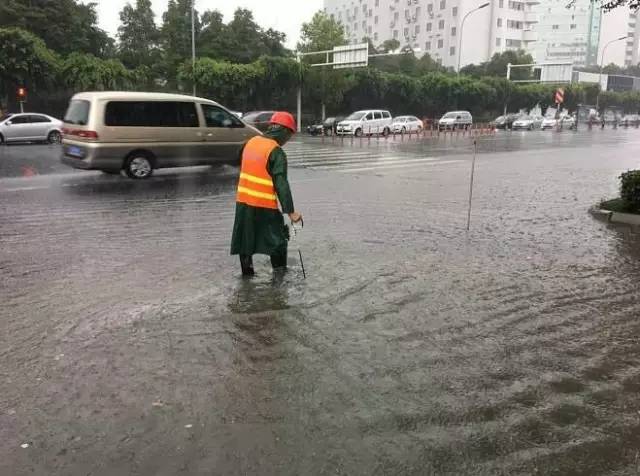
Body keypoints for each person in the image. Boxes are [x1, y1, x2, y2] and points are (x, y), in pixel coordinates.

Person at [230, 111, 303, 276]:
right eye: (289, 136)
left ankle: (247, 277)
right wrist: (291, 212)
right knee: (278, 242)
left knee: (245, 241)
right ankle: (280, 279)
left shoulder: (251, 142)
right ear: (284, 131)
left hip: (243, 202)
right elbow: (281, 184)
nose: (287, 140)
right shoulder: (276, 151)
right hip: (265, 206)